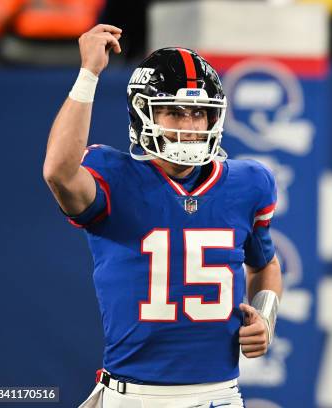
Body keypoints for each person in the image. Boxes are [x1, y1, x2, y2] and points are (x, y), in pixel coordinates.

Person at [43, 24, 282, 408]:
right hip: (133, 396)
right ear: (143, 114)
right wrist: (89, 74)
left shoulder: (248, 183)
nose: (189, 127)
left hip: (220, 396)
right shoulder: (114, 175)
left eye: (199, 113)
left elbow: (265, 264)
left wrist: (266, 316)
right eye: (174, 113)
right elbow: (59, 171)